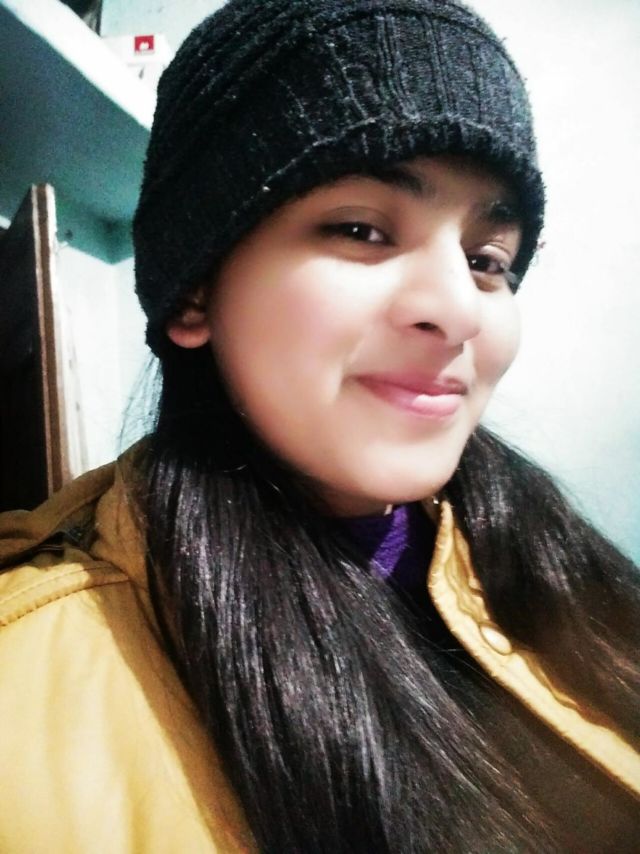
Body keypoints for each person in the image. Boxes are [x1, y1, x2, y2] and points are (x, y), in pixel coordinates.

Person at [0, 0, 638, 851]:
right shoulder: (25, 697)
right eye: (362, 230)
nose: (459, 309)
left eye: (488, 260)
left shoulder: (561, 568)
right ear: (195, 292)